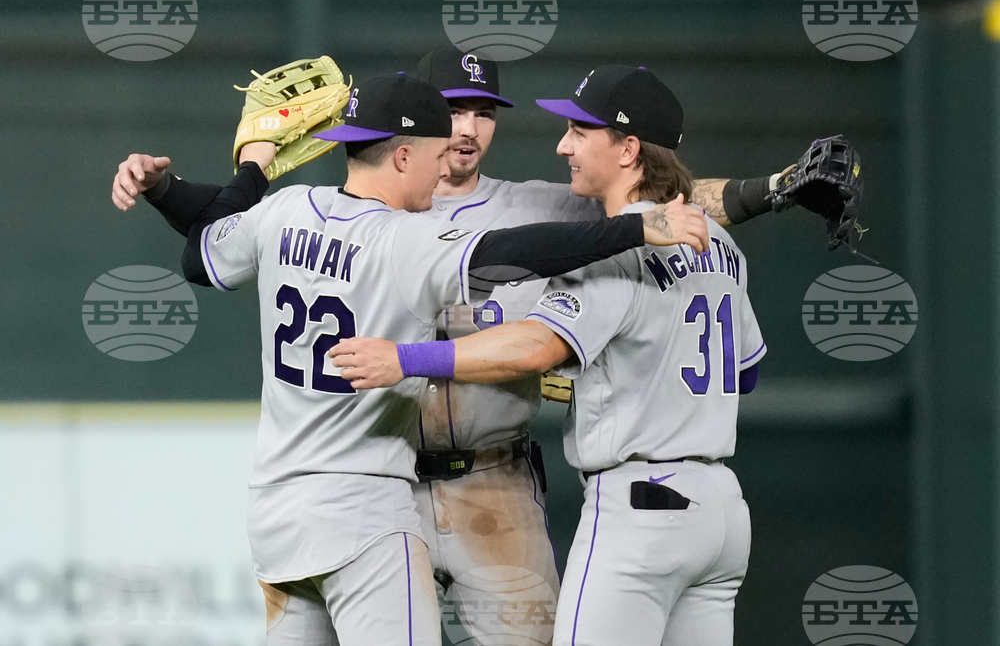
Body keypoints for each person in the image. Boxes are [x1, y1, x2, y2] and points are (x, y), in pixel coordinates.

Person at [110, 46, 839, 646]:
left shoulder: (510, 203)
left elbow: (654, 195)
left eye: (483, 112)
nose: (466, 127)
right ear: (411, 139)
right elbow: (613, 220)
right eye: (451, 110)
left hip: (484, 486)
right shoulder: (411, 232)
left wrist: (766, 189)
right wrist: (175, 190)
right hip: (386, 494)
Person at [330, 65, 764, 646]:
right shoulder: (720, 244)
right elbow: (745, 371)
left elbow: (537, 347)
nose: (563, 145)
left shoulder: (610, 244)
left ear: (629, 147)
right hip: (721, 511)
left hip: (638, 503)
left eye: (580, 132)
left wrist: (407, 360)